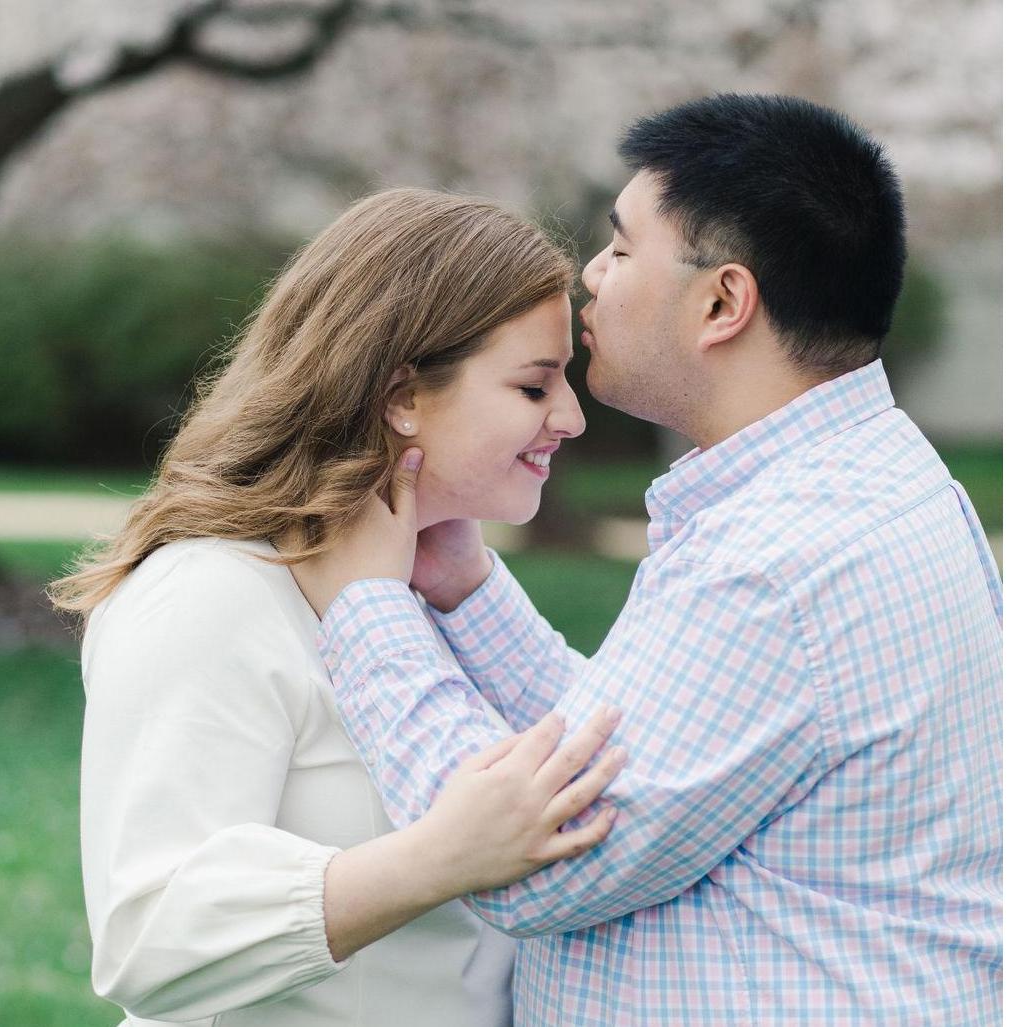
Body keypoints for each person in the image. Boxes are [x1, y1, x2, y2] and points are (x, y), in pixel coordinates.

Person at [300, 95, 1003, 1025]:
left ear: (723, 302)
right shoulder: (857, 480)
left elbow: (535, 862)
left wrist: (367, 607)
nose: (591, 275)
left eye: (622, 248)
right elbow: (624, 752)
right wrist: (464, 591)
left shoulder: (781, 557)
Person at [49, 188, 628, 1027]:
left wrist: (470, 592)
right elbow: (149, 936)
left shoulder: (436, 589)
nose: (571, 418)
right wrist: (436, 859)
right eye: (534, 387)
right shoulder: (206, 595)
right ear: (400, 395)